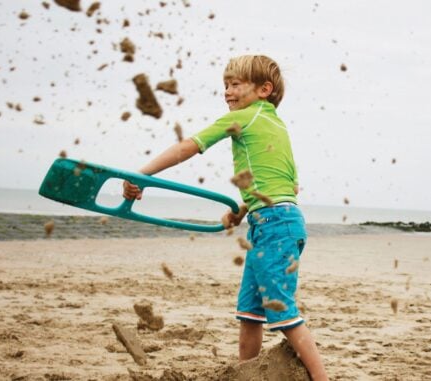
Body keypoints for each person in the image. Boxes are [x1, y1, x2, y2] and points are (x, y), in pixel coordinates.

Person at [123, 55, 328, 380]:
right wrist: (240, 212)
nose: (228, 92)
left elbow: (188, 147)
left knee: (281, 309)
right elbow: (282, 184)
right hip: (275, 222)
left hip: (275, 225)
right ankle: (246, 374)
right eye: (225, 85)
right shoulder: (275, 124)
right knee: (250, 313)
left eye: (235, 85)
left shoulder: (244, 118)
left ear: (264, 89)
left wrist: (141, 174)